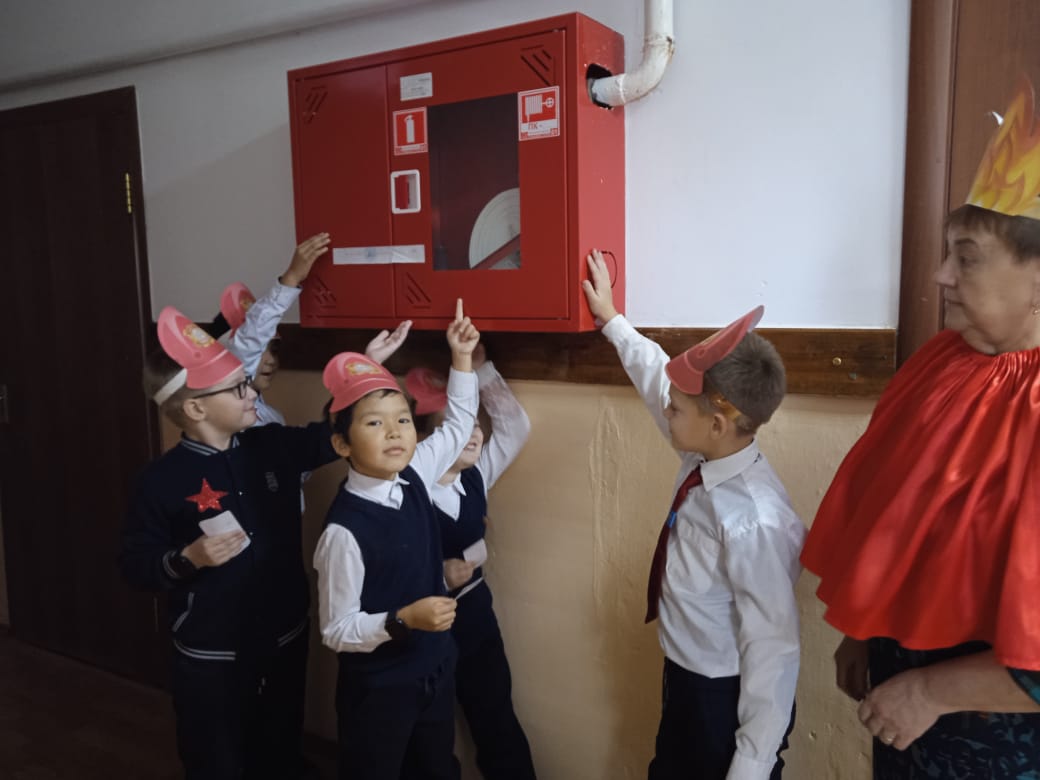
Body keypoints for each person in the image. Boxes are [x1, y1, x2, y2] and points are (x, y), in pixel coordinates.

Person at [800, 76, 1040, 779]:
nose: (940, 275)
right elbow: (890, 522)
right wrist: (863, 632)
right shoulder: (942, 364)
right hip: (903, 718)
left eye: (967, 256)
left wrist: (932, 691)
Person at [583, 250, 803, 780]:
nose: (666, 411)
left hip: (722, 700)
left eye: (676, 409)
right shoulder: (704, 450)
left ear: (718, 423)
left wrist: (749, 766)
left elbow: (773, 648)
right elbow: (657, 379)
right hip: (683, 677)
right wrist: (612, 321)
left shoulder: (755, 519)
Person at [120, 306, 339, 779]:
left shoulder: (271, 446)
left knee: (280, 740)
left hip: (284, 634)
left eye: (248, 383)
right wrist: (187, 558)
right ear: (196, 408)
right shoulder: (159, 482)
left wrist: (364, 372)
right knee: (216, 756)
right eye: (238, 388)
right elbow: (136, 564)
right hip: (212, 653)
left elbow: (332, 438)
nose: (252, 393)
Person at [314, 299, 480, 780]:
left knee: (437, 766)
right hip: (379, 689)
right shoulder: (344, 532)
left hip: (433, 669)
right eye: (374, 423)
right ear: (342, 444)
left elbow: (457, 426)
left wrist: (462, 359)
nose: (394, 432)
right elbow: (336, 630)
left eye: (403, 420)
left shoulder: (414, 475)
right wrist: (403, 619)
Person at [405, 344, 537, 779]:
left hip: (476, 614)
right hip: (427, 625)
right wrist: (439, 577)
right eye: (456, 427)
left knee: (495, 713)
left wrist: (480, 370)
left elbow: (515, 427)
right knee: (431, 729)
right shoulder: (408, 493)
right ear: (427, 442)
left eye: (474, 422)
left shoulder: (475, 475)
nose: (474, 432)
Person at [205, 232, 412, 426]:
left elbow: (323, 438)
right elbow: (248, 344)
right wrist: (291, 279)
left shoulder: (272, 418)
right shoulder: (229, 416)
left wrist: (368, 365)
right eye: (259, 351)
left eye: (274, 349)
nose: (270, 360)